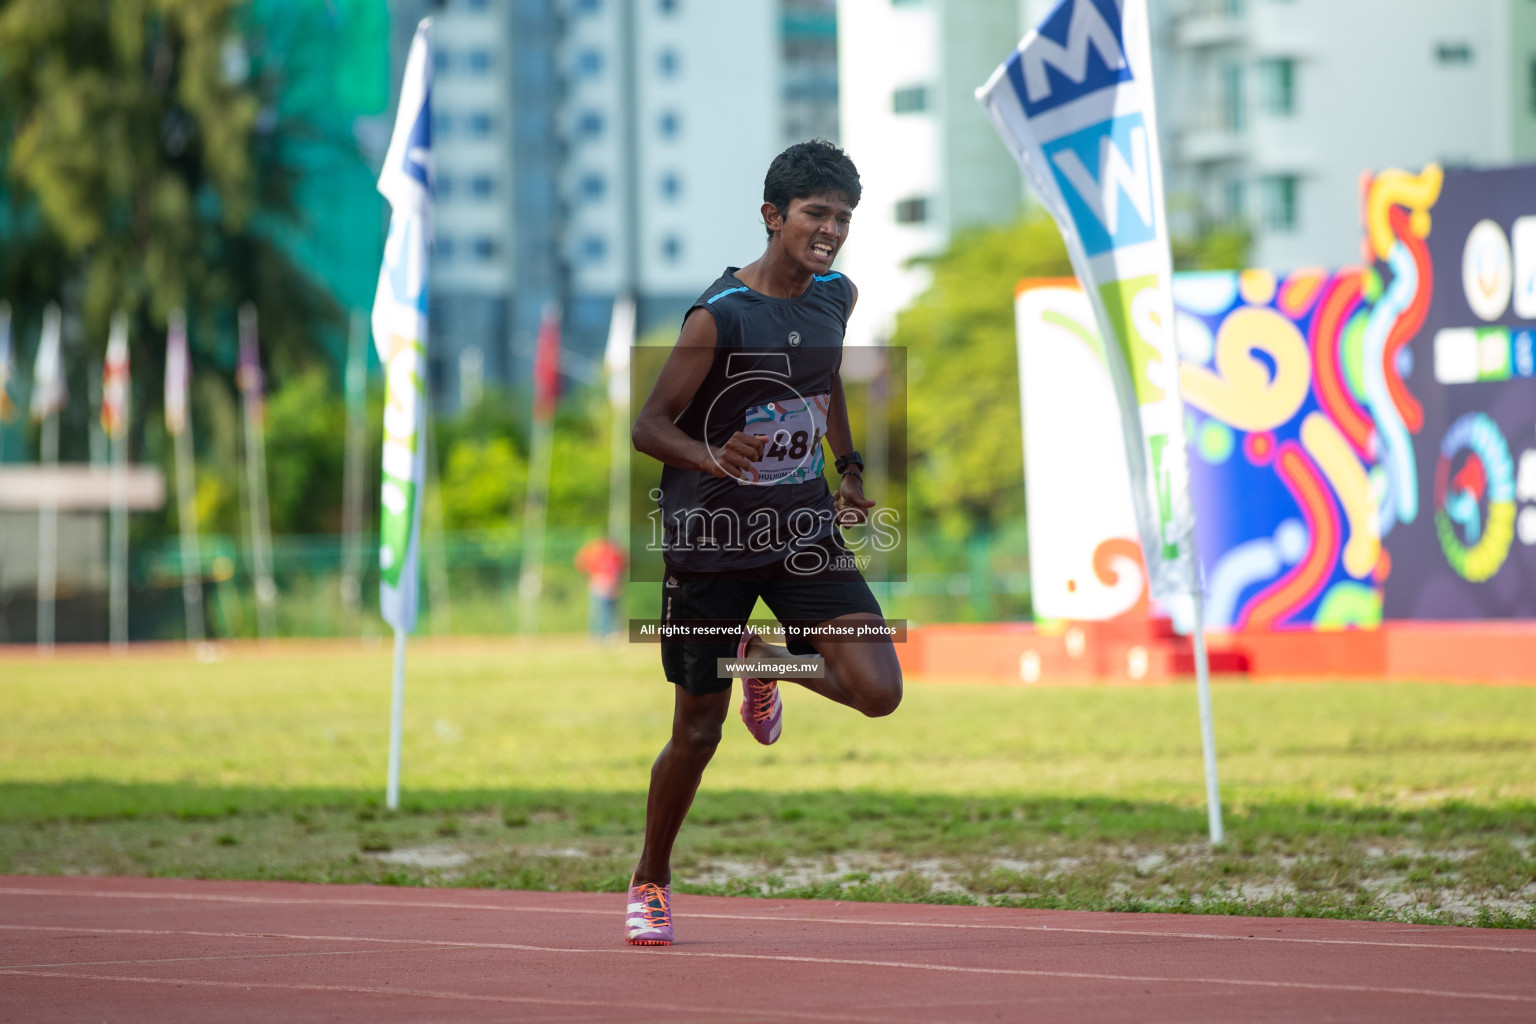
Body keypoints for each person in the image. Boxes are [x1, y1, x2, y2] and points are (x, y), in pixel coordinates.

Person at [624, 140, 903, 946]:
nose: (831, 229)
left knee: (878, 690)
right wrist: (712, 455)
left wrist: (844, 466)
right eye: (816, 213)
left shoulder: (835, 297)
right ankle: (651, 879)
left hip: (802, 527)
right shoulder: (720, 315)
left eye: (843, 216)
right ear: (773, 216)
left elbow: (825, 382)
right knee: (697, 734)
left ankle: (762, 663)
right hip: (712, 540)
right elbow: (649, 425)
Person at [574, 535, 625, 640]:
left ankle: (610, 633)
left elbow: (619, 570)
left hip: (611, 586)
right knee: (599, 612)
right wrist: (595, 579)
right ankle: (598, 634)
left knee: (611, 611)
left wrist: (617, 584)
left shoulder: (614, 555)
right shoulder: (595, 553)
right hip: (599, 586)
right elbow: (582, 563)